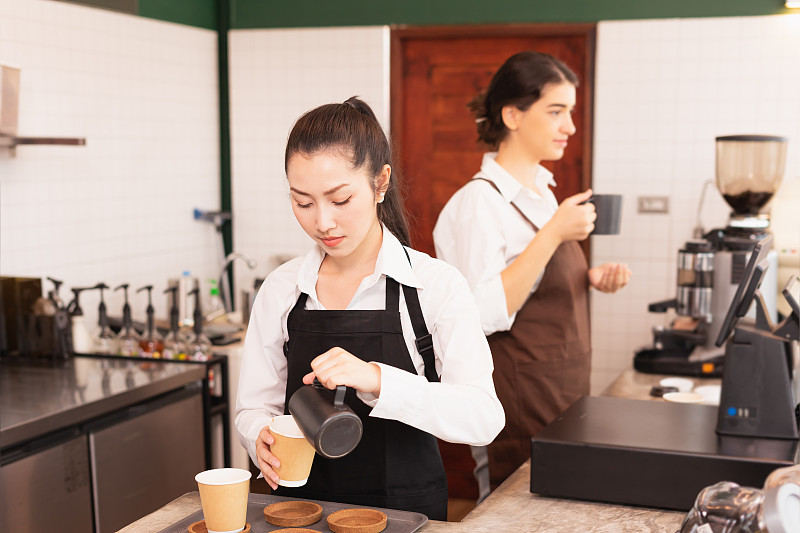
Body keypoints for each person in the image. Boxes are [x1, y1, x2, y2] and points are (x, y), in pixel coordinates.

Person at [235, 96, 505, 520]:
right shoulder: (281, 289)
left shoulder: (435, 286)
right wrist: (258, 437)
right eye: (303, 202)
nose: (322, 222)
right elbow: (254, 406)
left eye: (339, 200)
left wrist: (380, 380)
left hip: (406, 514)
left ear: (380, 183)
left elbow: (483, 417)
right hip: (298, 510)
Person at [433, 51, 631, 491]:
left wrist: (587, 278)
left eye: (571, 112)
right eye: (556, 112)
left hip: (563, 394)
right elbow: (483, 314)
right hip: (517, 405)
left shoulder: (543, 192)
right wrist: (554, 234)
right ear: (512, 115)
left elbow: (532, 283)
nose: (570, 127)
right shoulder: (477, 205)